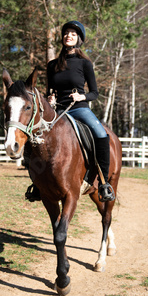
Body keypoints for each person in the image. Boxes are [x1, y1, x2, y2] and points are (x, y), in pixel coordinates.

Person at [25, 20, 115, 202]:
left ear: (79, 39)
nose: (69, 36)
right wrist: (50, 99)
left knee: (101, 134)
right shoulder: (52, 65)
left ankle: (104, 183)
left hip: (80, 109)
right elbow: (50, 91)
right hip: (58, 112)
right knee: (32, 136)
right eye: (66, 33)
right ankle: (37, 182)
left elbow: (95, 93)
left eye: (73, 34)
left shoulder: (84, 63)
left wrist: (82, 97)